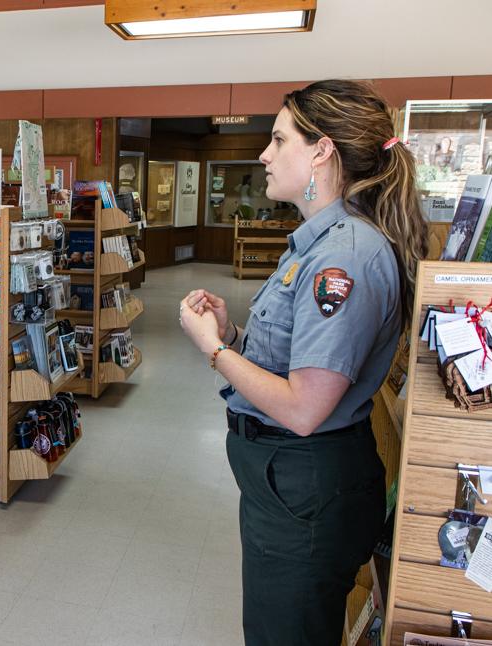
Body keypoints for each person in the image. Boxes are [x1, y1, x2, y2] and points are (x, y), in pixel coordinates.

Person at [179, 80, 429, 645]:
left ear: (322, 151)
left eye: (278, 139)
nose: (264, 155)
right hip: (287, 488)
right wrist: (236, 335)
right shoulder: (322, 243)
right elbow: (296, 358)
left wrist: (212, 350)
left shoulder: (342, 256)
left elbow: (304, 407)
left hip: (305, 488)